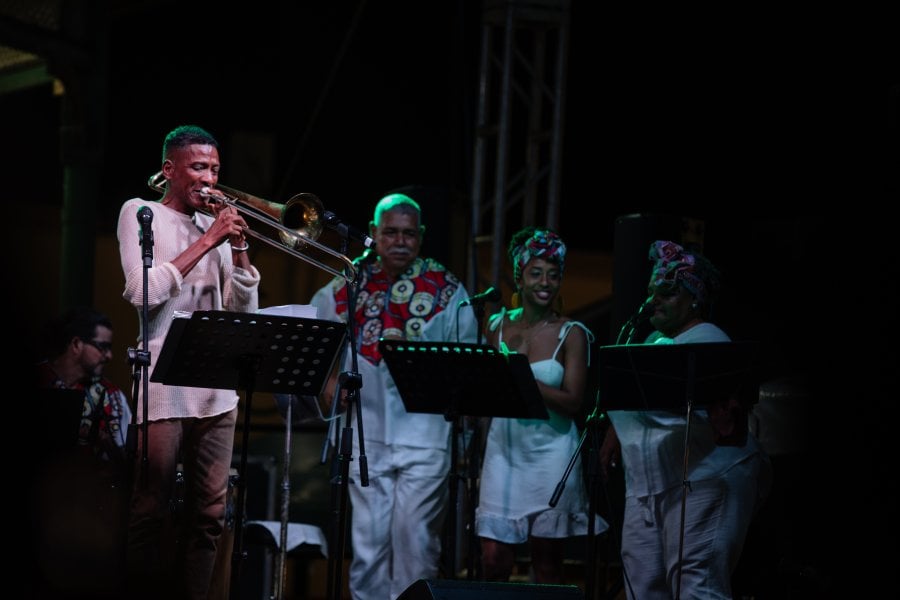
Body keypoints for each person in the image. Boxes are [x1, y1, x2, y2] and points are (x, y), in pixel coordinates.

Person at [309, 192, 479, 600]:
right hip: (366, 439)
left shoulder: (445, 288)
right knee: (367, 550)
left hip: (425, 439)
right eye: (390, 233)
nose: (400, 241)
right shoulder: (346, 285)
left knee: (416, 548)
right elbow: (313, 342)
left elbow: (471, 361)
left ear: (420, 236)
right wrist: (327, 383)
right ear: (372, 233)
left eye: (408, 233)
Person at [117, 124, 260, 600]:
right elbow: (142, 295)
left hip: (217, 389)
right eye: (199, 167)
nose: (209, 178)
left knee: (211, 514)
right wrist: (208, 241)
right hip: (162, 383)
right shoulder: (141, 213)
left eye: (215, 169)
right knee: (151, 506)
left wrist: (238, 250)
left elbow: (243, 316)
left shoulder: (214, 234)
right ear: (169, 170)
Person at [598, 240, 771, 600]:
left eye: (667, 292)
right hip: (650, 487)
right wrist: (614, 430)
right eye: (651, 292)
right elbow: (638, 400)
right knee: (643, 589)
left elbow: (728, 419)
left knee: (696, 586)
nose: (653, 301)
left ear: (693, 297)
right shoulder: (652, 341)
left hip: (702, 482)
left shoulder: (709, 340)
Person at [475, 226, 608, 583]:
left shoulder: (573, 332)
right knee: (493, 560)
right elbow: (486, 394)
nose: (545, 282)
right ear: (519, 278)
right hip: (504, 449)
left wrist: (522, 378)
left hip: (551, 454)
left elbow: (574, 401)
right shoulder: (496, 326)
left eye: (553, 274)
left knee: (547, 563)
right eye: (536, 273)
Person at [30, 306, 133, 598]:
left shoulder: (111, 396)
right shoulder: (35, 381)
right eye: (103, 347)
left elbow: (127, 464)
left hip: (88, 519)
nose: (109, 356)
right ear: (76, 344)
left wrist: (106, 444)